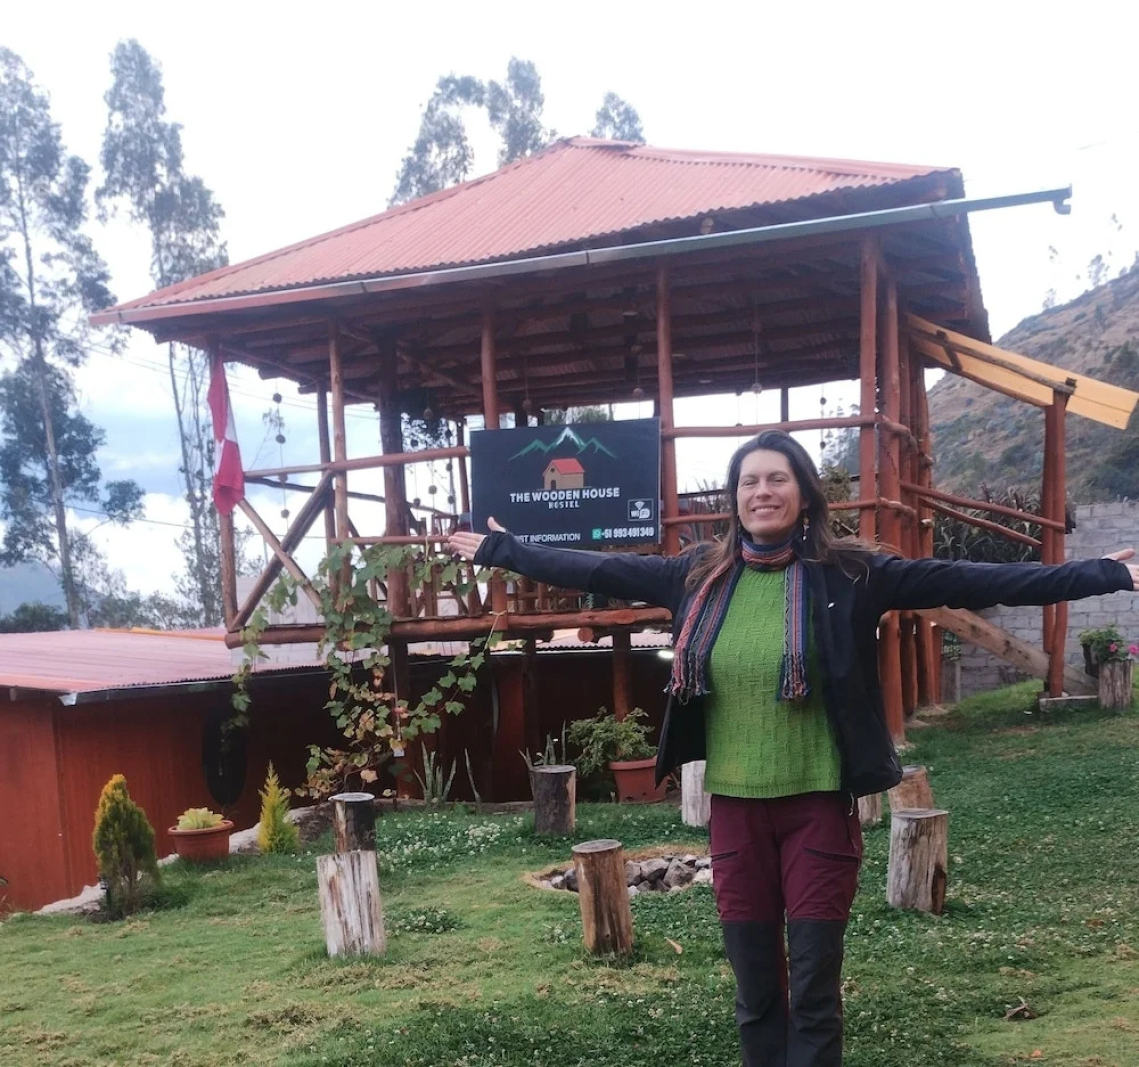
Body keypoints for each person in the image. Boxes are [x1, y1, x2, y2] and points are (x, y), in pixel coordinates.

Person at [449, 430, 1137, 1067]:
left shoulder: (851, 574)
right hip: (736, 815)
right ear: (734, 498)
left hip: (816, 811)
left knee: (811, 987)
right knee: (754, 995)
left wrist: (1099, 573)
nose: (761, 492)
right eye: (748, 482)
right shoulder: (695, 577)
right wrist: (502, 551)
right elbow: (597, 570)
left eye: (776, 478)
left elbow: (970, 579)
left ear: (803, 492)